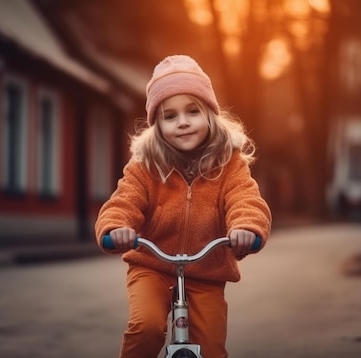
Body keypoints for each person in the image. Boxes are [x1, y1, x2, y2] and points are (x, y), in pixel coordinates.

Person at [95, 54, 272, 358]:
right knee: (146, 327)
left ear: (210, 115)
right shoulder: (145, 166)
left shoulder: (229, 165)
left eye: (193, 111)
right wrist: (117, 228)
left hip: (207, 272)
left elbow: (245, 198)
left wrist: (246, 227)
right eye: (170, 116)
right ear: (157, 125)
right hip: (152, 268)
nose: (183, 122)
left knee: (212, 349)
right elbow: (123, 201)